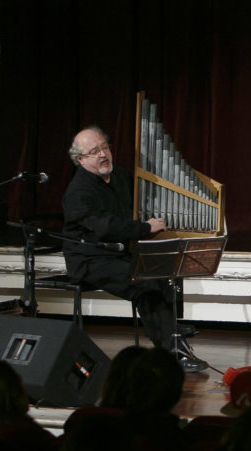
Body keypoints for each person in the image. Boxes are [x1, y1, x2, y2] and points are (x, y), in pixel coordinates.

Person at [62, 125, 207, 373]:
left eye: (105, 147)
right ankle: (171, 351)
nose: (102, 154)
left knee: (164, 267)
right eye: (94, 151)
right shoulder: (78, 191)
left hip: (118, 253)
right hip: (90, 259)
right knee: (144, 280)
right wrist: (143, 228)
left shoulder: (118, 175)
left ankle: (169, 328)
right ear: (81, 159)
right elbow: (105, 227)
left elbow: (141, 202)